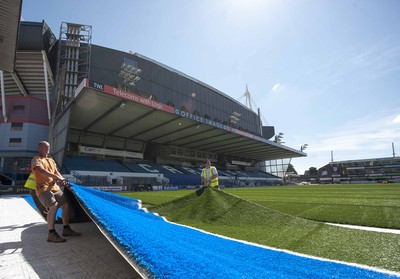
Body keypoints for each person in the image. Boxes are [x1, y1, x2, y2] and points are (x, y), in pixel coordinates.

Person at [31, 141, 81, 243]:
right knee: (53, 206)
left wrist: (62, 179)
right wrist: (58, 178)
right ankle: (51, 233)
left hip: (54, 187)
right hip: (43, 188)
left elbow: (56, 172)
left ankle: (66, 229)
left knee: (65, 205)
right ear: (39, 148)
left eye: (48, 147)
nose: (48, 149)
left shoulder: (51, 160)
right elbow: (41, 171)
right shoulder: (36, 159)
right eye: (45, 147)